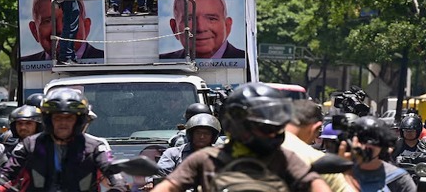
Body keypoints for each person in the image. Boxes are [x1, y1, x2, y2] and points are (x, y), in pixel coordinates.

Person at [151, 82, 329, 192]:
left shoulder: (285, 158)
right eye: (263, 127)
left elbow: (316, 185)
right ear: (238, 126)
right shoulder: (205, 159)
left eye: (275, 126)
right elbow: (168, 187)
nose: (272, 133)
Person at [0, 88, 125, 192]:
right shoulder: (30, 144)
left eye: (69, 118)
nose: (63, 123)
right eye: (58, 117)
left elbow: (112, 171)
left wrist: (119, 186)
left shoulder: (96, 146)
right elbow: (7, 173)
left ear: (79, 121)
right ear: (49, 120)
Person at [283, 100, 353, 192]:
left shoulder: (264, 142)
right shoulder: (320, 162)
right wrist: (346, 172)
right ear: (316, 127)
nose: (313, 140)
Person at [159, 0, 245, 59]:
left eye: (211, 19)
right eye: (189, 19)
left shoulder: (245, 59)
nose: (201, 28)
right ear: (174, 28)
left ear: (227, 26)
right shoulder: (164, 61)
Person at [21, 0, 104, 62]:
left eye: (68, 20)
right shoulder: (26, 62)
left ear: (86, 27)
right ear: (34, 31)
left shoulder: (104, 59)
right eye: (49, 21)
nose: (60, 29)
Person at [342, 116, 415, 192]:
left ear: (382, 146)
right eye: (361, 140)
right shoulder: (340, 174)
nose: (364, 146)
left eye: (371, 140)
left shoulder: (398, 178)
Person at [157, 113, 221, 177]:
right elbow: (160, 174)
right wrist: (151, 182)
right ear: (191, 134)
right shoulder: (173, 153)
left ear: (213, 136)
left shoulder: (221, 156)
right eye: (198, 133)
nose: (202, 137)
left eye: (206, 133)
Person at [0, 105, 44, 170]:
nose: (23, 127)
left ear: (38, 126)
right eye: (19, 123)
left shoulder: (48, 148)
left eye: (28, 123)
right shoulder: (4, 148)